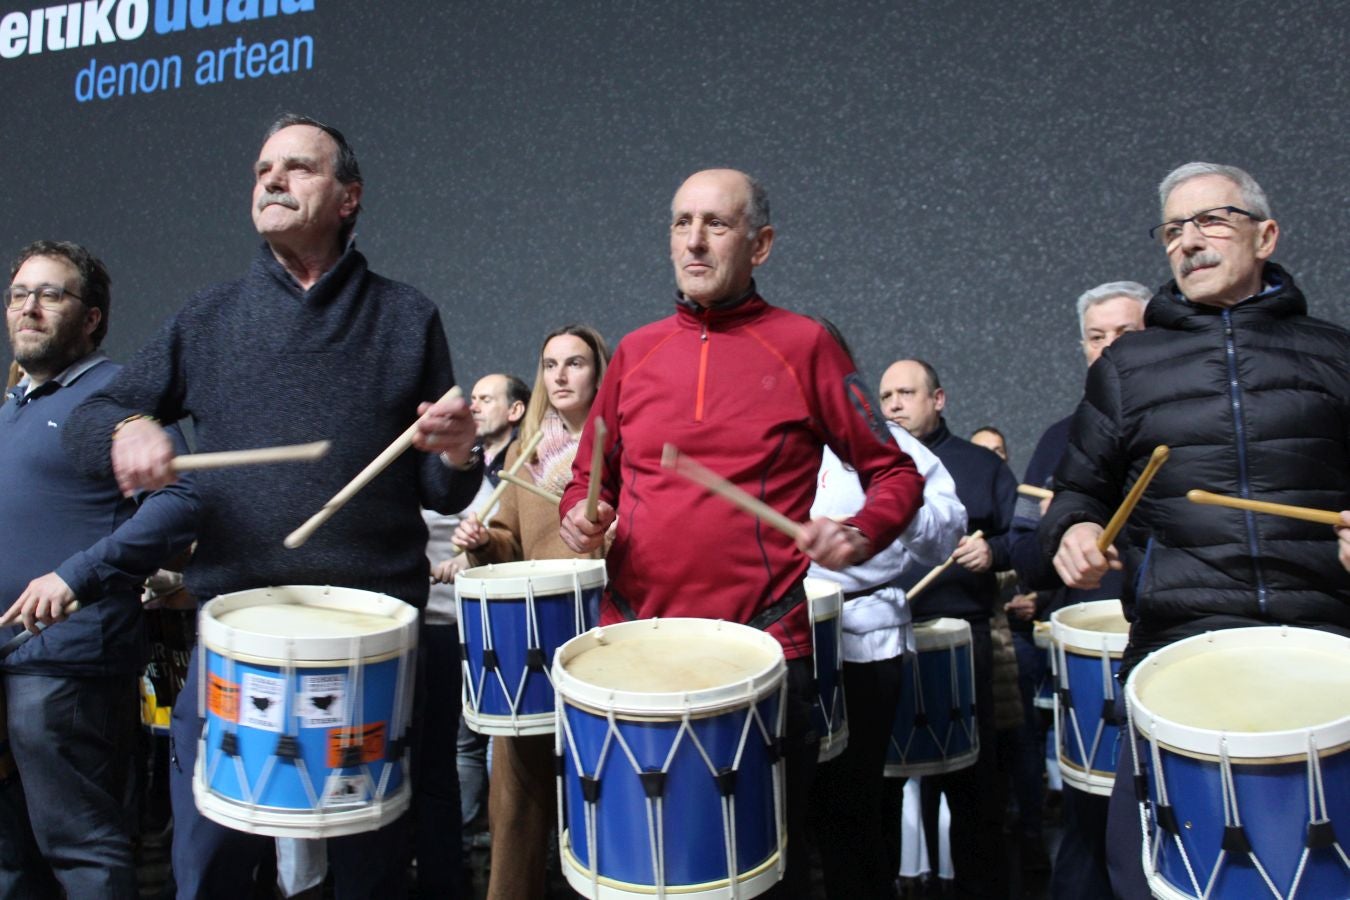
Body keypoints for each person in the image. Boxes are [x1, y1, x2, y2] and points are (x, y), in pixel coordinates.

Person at [62, 114, 483, 899]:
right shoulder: (207, 317)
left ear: (349, 197)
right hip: (236, 633)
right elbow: (90, 419)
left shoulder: (406, 316)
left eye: (297, 168)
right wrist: (128, 429)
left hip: (372, 640)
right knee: (213, 868)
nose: (272, 181)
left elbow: (439, 489)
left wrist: (459, 451)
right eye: (263, 170)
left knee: (374, 874)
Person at [558, 168, 926, 897]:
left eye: (716, 225)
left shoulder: (806, 345)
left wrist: (857, 533)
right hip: (634, 649)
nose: (693, 241)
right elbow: (586, 478)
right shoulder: (634, 351)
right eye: (680, 222)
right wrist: (583, 516)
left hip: (758, 654)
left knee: (756, 877)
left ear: (759, 245)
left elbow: (895, 475)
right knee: (630, 877)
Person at [1041, 162, 1350, 898]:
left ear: (1265, 235)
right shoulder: (1128, 367)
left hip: (1326, 642)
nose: (1189, 241)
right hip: (1182, 647)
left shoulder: (1337, 355)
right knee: (1140, 871)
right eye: (1173, 229)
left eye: (1212, 220)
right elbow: (1076, 492)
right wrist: (1076, 533)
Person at [0, 240, 197, 898]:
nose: (29, 307)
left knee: (81, 849)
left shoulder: (113, 398)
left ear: (90, 317)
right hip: (12, 661)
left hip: (67, 665)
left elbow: (179, 503)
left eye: (50, 294)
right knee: (12, 858)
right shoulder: (15, 407)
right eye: (19, 293)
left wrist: (74, 576)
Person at [806, 320, 966, 900]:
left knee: (856, 805)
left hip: (866, 642)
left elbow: (947, 530)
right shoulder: (764, 444)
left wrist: (885, 519)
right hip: (784, 640)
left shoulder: (893, 445)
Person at [454, 325, 609, 900]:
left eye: (575, 363)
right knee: (516, 797)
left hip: (601, 637)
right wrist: (478, 541)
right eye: (550, 365)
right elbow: (506, 542)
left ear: (599, 372)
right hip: (534, 643)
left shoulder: (619, 446)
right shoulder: (525, 452)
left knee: (598, 792)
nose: (561, 376)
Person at [1006, 280, 1150, 896]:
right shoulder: (1057, 440)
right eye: (1097, 337)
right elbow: (1020, 553)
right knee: (1089, 840)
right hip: (1088, 662)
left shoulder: (1193, 433)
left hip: (1170, 644)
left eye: (1126, 334)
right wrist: (1059, 545)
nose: (1110, 348)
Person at [877, 357, 1018, 899]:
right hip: (884, 637)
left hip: (963, 638)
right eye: (886, 395)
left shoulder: (981, 465)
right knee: (880, 792)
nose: (893, 405)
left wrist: (994, 548)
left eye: (906, 394)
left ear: (938, 400)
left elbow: (1025, 538)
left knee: (974, 793)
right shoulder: (863, 466)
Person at [420, 372, 530, 893]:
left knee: (470, 751)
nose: (478, 406)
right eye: (474, 398)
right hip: (422, 624)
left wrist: (462, 558)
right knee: (450, 754)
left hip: (463, 629)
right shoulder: (464, 472)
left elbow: (495, 544)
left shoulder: (488, 479)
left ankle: (469, 857)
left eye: (489, 399)